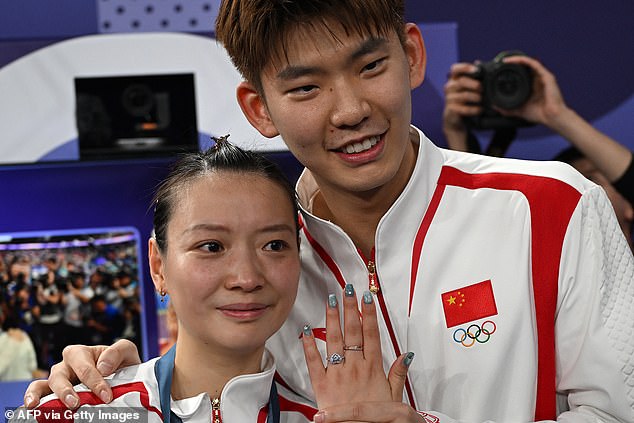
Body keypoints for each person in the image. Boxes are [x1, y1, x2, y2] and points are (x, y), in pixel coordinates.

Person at [26, 1, 634, 422]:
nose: (349, 111)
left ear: (413, 55)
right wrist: (110, 388)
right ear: (259, 108)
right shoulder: (268, 268)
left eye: (370, 67)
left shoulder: (553, 206)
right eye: (305, 88)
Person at [16, 139, 413, 422]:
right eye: (211, 246)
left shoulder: (326, 420)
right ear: (158, 266)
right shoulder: (79, 413)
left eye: (274, 244)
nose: (246, 277)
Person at [443, 54, 634, 248]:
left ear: (629, 206)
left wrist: (557, 115)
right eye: (570, 187)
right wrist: (456, 134)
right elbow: (479, 226)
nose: (581, 193)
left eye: (592, 181)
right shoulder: (534, 274)